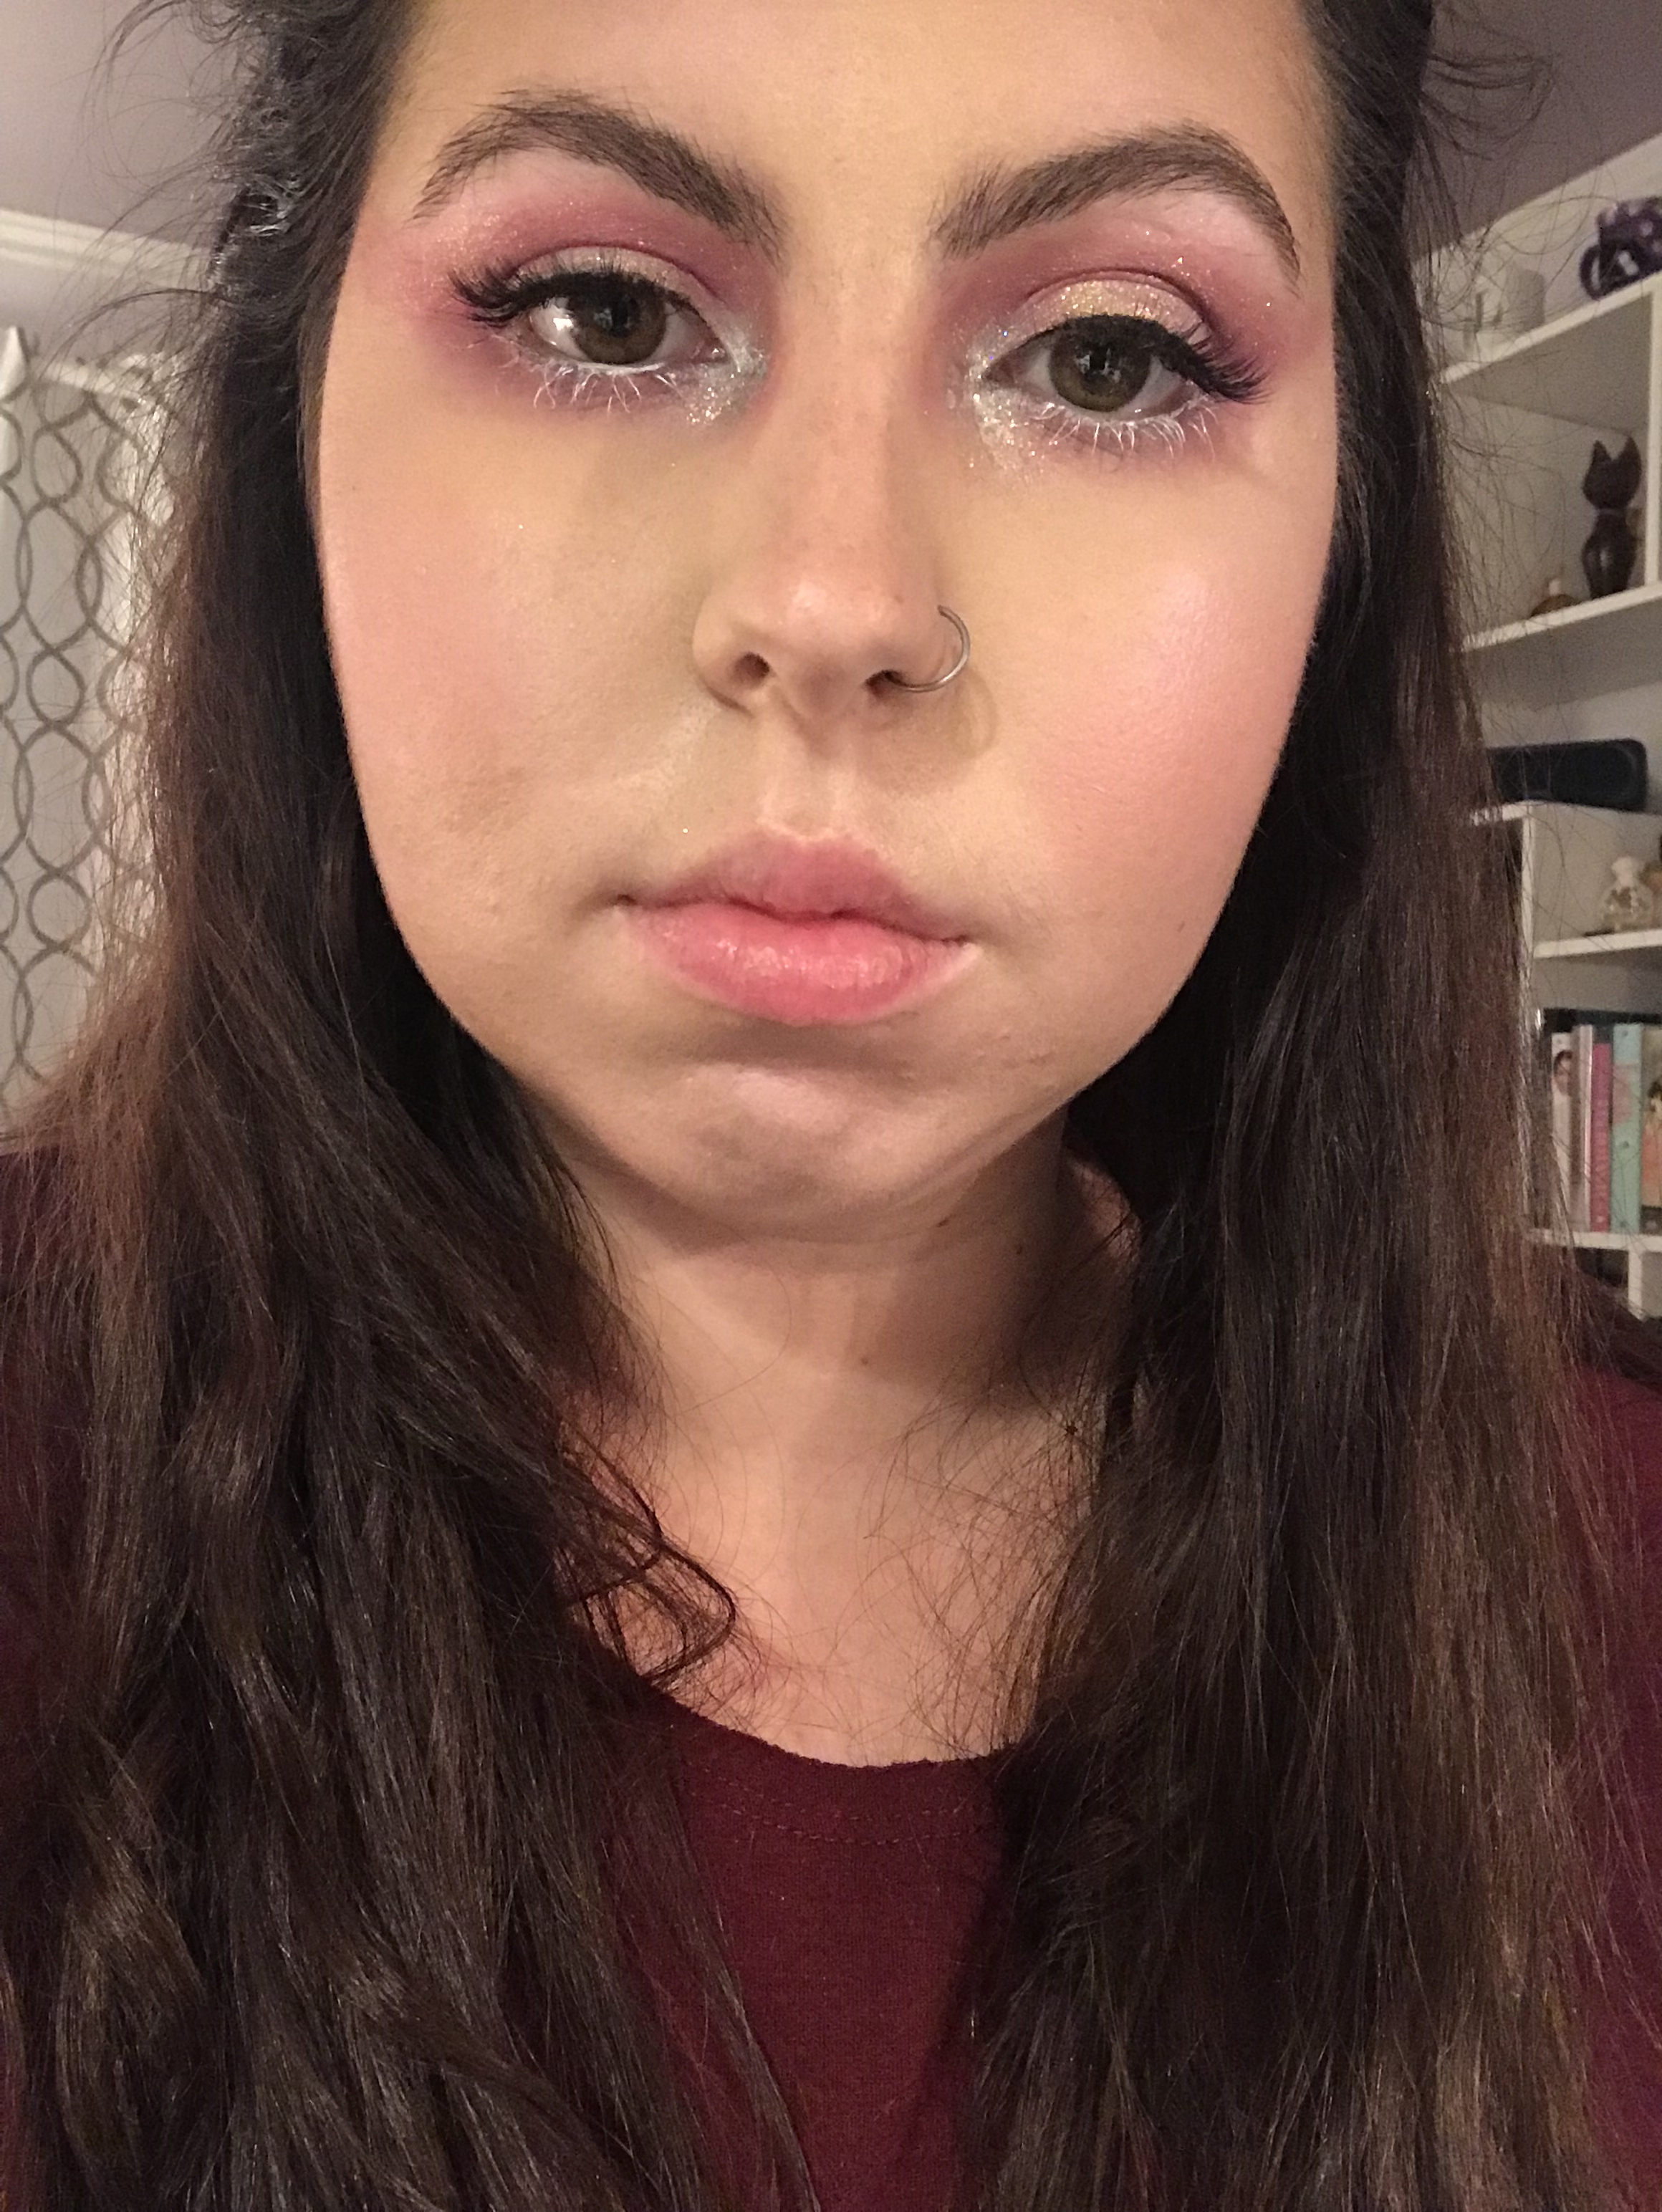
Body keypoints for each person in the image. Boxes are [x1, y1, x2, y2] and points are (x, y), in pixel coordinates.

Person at [1, 0, 1658, 2205]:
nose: (838, 602)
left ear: (1346, 549)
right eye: (601, 311)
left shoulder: (1613, 1567)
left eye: (1108, 361)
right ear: (288, 417)